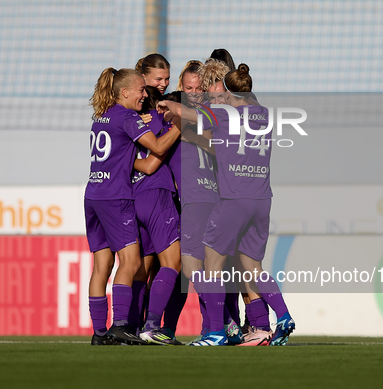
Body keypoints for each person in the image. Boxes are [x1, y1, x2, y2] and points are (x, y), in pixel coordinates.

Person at [158, 64, 295, 346]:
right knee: (252, 267)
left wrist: (168, 102)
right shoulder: (264, 114)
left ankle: (216, 332)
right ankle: (283, 316)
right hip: (262, 200)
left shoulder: (221, 114)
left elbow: (190, 113)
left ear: (229, 92)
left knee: (211, 264)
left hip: (234, 199)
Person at [86, 67, 180, 345]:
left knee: (101, 265)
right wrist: (179, 126)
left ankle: (99, 333)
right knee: (131, 261)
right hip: (116, 197)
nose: (144, 94)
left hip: (93, 194)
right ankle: (121, 325)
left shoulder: (101, 116)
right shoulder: (126, 116)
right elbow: (158, 148)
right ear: (124, 92)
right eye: (141, 89)